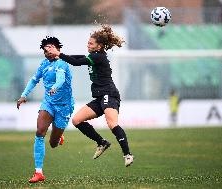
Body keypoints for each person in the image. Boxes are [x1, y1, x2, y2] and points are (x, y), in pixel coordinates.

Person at [46, 25, 134, 167]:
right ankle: (101, 142)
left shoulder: (98, 57)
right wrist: (58, 55)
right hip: (99, 97)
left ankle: (127, 154)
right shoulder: (93, 56)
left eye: (91, 43)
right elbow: (78, 58)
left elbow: (76, 62)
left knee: (112, 124)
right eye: (88, 42)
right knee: (77, 120)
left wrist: (59, 54)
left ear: (99, 46)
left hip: (109, 94)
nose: (88, 45)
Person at [17, 37, 74, 183]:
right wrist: (24, 95)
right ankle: (38, 172)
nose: (47, 52)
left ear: (57, 49)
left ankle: (58, 136)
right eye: (45, 50)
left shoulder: (63, 63)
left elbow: (60, 79)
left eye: (49, 48)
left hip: (64, 106)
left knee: (53, 144)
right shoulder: (44, 64)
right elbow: (34, 80)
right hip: (48, 103)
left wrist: (55, 87)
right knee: (39, 132)